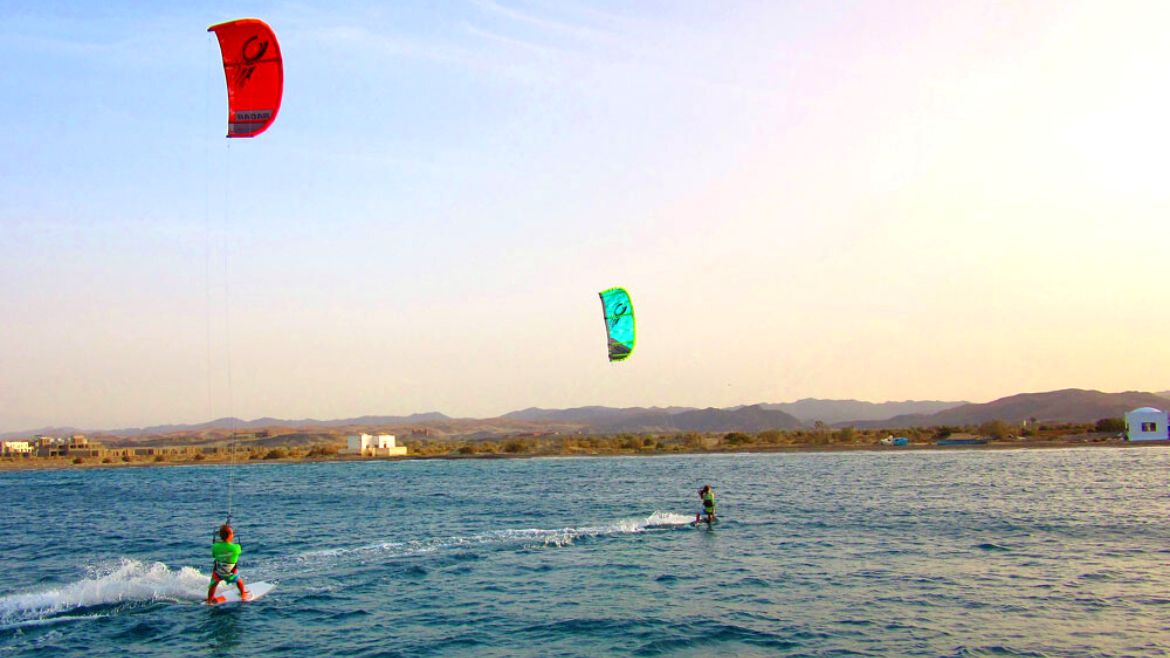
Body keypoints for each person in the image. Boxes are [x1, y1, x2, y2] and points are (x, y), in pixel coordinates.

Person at [207, 523, 250, 603]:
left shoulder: (215, 546)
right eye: (232, 533)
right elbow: (239, 551)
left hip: (218, 573)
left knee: (213, 584)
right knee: (239, 581)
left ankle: (209, 599)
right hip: (231, 573)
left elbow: (214, 555)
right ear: (230, 536)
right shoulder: (236, 547)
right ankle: (243, 594)